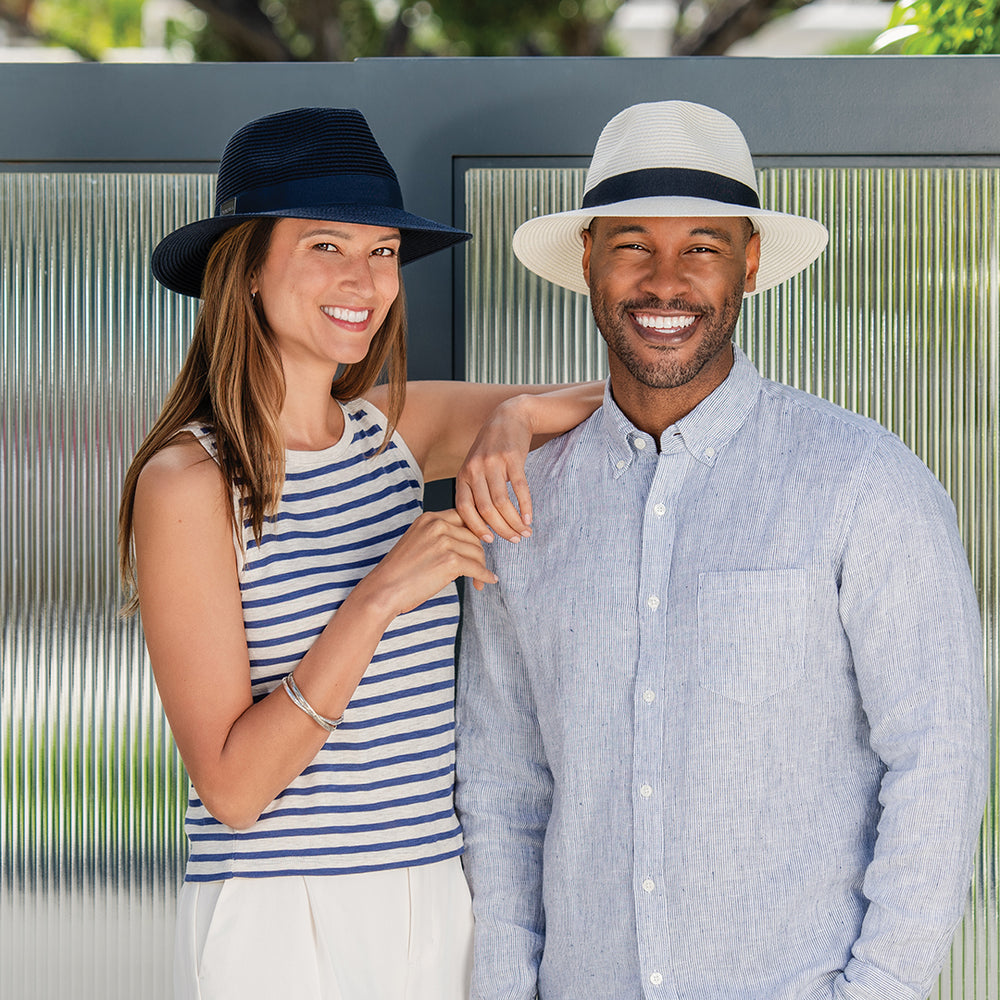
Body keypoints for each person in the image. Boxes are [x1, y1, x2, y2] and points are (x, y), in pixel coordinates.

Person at [455, 100, 990, 1000]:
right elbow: (505, 785)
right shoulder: (522, 502)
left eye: (701, 246)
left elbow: (939, 763)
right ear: (588, 260)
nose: (665, 282)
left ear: (747, 265)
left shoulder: (863, 484)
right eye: (632, 244)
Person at [117, 106, 601, 1000]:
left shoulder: (392, 432)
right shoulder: (189, 482)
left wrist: (513, 416)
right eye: (327, 247)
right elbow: (232, 789)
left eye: (383, 252)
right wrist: (378, 597)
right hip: (279, 914)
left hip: (432, 893)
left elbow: (608, 408)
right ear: (248, 268)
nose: (366, 279)